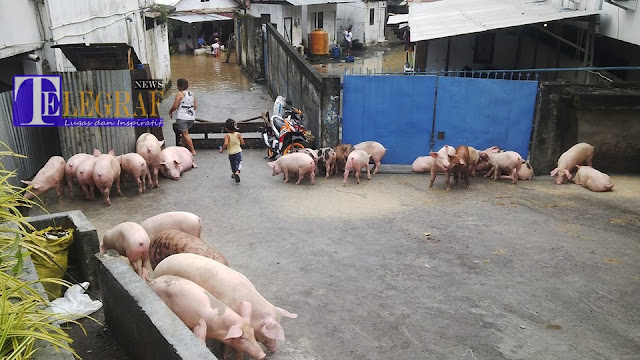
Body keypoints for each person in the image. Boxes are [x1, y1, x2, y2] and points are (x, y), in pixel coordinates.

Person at [169, 78, 197, 156]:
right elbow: (195, 106)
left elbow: (175, 106)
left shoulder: (179, 94)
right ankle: (183, 148)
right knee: (185, 133)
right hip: (191, 117)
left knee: (185, 134)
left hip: (182, 117)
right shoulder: (191, 93)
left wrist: (170, 111)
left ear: (179, 86)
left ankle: (192, 150)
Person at [219, 118, 245, 183]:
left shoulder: (227, 136)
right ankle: (237, 172)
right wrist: (240, 143)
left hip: (230, 153)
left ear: (227, 128)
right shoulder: (238, 134)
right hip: (238, 152)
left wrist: (222, 149)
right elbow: (242, 142)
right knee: (238, 163)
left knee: (232, 163)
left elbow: (225, 143)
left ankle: (234, 173)